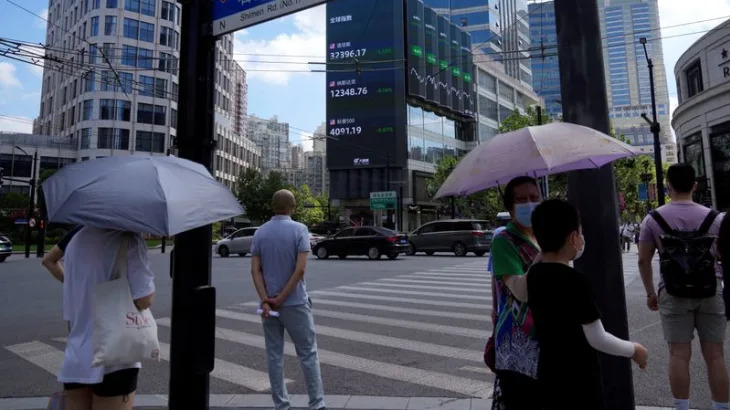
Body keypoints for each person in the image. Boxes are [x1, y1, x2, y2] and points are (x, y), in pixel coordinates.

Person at [527, 199, 649, 409]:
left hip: (548, 371)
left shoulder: (534, 275)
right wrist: (634, 350)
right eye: (580, 233)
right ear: (573, 238)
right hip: (578, 376)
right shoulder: (575, 281)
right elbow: (597, 338)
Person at [638, 163, 728, 410]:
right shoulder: (717, 218)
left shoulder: (652, 219)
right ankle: (721, 407)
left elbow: (643, 259)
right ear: (695, 186)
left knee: (679, 355)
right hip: (711, 289)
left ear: (668, 187)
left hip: (673, 291)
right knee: (716, 355)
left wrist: (649, 292)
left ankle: (682, 407)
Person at [51, 227, 155, 410]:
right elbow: (144, 299)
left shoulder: (76, 241)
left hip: (77, 355)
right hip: (114, 357)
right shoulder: (128, 238)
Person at [251, 189, 326, 410]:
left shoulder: (260, 233)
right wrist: (282, 298)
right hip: (294, 303)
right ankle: (316, 404)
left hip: (268, 307)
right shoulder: (300, 230)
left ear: (273, 207)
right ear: (293, 208)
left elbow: (255, 271)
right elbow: (300, 270)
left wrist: (267, 299)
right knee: (308, 354)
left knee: (274, 356)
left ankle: (281, 405)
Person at [489, 176, 542, 409]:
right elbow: (520, 290)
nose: (530, 204)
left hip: (545, 334)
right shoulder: (503, 240)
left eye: (534, 198)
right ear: (510, 208)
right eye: (521, 200)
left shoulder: (541, 236)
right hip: (517, 341)